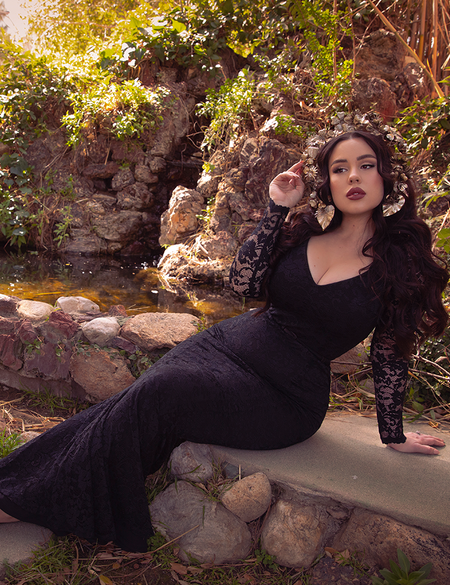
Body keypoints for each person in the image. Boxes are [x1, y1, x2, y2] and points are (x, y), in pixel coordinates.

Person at [0, 129, 448, 553]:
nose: (352, 176)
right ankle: (18, 479)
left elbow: (391, 349)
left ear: (385, 176)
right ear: (326, 182)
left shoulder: (399, 264)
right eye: (339, 168)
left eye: (365, 166)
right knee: (135, 400)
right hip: (224, 346)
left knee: (162, 392)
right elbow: (243, 282)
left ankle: (28, 502)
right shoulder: (305, 232)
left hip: (284, 396)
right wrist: (277, 207)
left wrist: (393, 434)